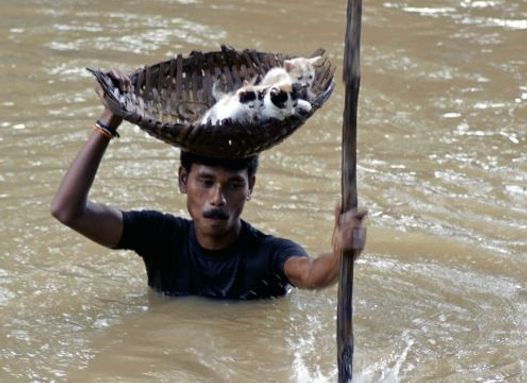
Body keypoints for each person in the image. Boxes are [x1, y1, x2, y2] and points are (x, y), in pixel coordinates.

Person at [50, 69, 367, 300]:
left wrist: (342, 255)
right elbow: (67, 210)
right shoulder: (160, 238)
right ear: (183, 180)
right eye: (206, 182)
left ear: (250, 187)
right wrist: (109, 119)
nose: (218, 198)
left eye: (233, 185)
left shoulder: (268, 253)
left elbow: (311, 274)